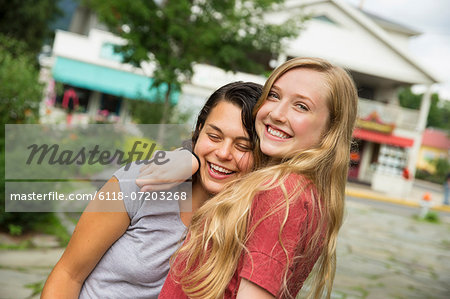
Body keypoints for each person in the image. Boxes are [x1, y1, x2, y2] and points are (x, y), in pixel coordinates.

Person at [158, 57, 359, 299]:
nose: (277, 113)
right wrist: (187, 157)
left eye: (301, 106)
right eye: (274, 95)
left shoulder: (282, 193)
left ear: (330, 129)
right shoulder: (306, 192)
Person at [41, 81, 262, 299]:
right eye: (214, 136)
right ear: (198, 131)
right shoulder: (138, 181)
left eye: (243, 146)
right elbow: (68, 275)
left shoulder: (252, 223)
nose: (223, 153)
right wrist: (188, 156)